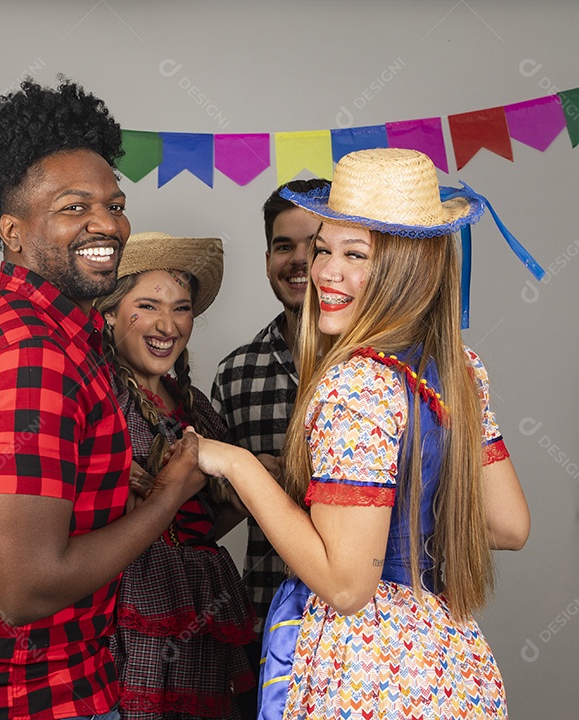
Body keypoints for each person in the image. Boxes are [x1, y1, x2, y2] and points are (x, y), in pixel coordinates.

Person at [192, 148, 530, 719]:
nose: (324, 271)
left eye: (355, 254)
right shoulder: (460, 368)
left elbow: (346, 588)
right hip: (447, 662)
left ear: (407, 268)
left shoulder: (357, 383)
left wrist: (238, 465)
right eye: (324, 249)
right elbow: (507, 525)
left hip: (363, 673)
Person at [0, 80, 206, 720]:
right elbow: (25, 591)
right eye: (74, 207)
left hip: (59, 680)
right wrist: (168, 496)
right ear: (13, 231)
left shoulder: (56, 333)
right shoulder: (32, 351)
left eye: (114, 203)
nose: (108, 223)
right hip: (20, 695)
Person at [94, 232, 257, 720]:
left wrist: (251, 482)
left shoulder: (194, 405)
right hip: (134, 603)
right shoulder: (98, 398)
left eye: (182, 308)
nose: (168, 324)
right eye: (148, 305)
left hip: (201, 600)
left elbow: (199, 526)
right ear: (110, 314)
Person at [210, 179, 328, 718]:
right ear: (266, 259)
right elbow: (204, 522)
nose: (300, 259)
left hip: (370, 631)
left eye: (317, 245)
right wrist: (252, 481)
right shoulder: (236, 374)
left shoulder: (390, 368)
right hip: (265, 629)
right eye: (285, 245)